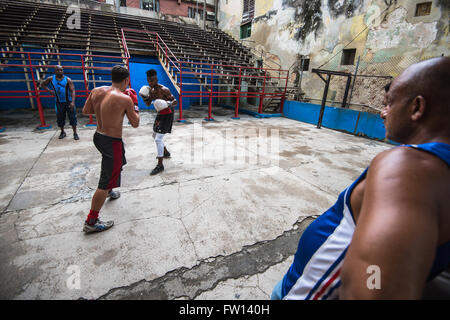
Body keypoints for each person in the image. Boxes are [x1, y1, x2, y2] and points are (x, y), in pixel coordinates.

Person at [272, 57, 450, 300]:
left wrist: (374, 279)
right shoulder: (438, 171)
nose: (382, 112)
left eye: (389, 103)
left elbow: (375, 286)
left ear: (417, 108)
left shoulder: (406, 168)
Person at [81, 65, 140, 233]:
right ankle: (91, 221)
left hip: (98, 136)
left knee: (118, 162)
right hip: (111, 140)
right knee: (105, 180)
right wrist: (135, 104)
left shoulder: (97, 90)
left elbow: (86, 111)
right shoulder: (125, 98)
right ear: (127, 80)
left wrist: (104, 110)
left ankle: (110, 190)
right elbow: (135, 123)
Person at [139, 69, 177, 175]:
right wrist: (144, 97)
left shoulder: (164, 89)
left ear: (156, 79)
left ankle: (160, 165)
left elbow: (175, 102)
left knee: (158, 139)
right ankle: (165, 152)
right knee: (154, 134)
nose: (150, 82)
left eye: (152, 80)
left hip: (168, 114)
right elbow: (148, 104)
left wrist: (167, 103)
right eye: (148, 80)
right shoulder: (150, 90)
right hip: (160, 113)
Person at [40, 65, 78, 140]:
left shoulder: (67, 79)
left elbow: (72, 90)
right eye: (58, 70)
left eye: (61, 70)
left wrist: (73, 102)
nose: (60, 71)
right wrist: (50, 91)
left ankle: (75, 133)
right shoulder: (50, 79)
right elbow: (43, 84)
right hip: (59, 102)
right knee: (60, 118)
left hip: (69, 102)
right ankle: (62, 132)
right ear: (55, 71)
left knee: (73, 118)